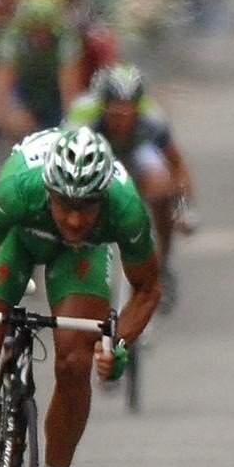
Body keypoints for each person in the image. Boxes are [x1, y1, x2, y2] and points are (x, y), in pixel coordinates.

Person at [0, 127, 159, 467]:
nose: (76, 219)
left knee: (75, 360)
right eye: (65, 205)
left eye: (87, 207)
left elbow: (148, 289)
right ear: (49, 190)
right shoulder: (18, 191)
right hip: (16, 239)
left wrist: (118, 345)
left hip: (79, 257)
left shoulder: (126, 209)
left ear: (104, 197)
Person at [62, 64, 195, 305]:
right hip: (93, 156)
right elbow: (64, 168)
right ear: (102, 105)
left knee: (160, 187)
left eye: (129, 109)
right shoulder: (81, 119)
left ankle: (162, 264)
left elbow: (177, 166)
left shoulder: (152, 118)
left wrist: (183, 209)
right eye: (115, 110)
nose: (122, 117)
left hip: (136, 155)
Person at [0, 0, 85, 147]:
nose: (39, 35)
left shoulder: (67, 39)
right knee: (18, 124)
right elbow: (2, 83)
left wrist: (73, 126)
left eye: (44, 30)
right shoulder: (12, 39)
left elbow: (69, 85)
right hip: (27, 92)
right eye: (34, 30)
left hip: (54, 93)